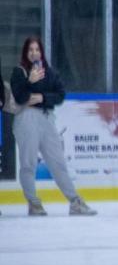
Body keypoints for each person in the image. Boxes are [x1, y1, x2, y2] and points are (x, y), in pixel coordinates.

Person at [10, 36, 96, 216]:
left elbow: (60, 94)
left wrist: (42, 97)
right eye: (30, 50)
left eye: (37, 49)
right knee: (28, 163)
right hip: (26, 118)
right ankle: (34, 203)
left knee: (58, 162)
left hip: (47, 118)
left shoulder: (50, 73)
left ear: (41, 52)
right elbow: (20, 97)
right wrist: (29, 82)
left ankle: (75, 201)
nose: (34, 53)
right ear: (25, 52)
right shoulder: (19, 72)